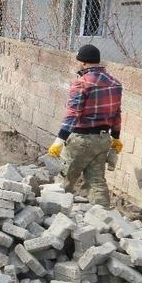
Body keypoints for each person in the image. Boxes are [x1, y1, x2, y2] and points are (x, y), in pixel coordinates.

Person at [48, 44, 122, 207]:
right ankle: (103, 219)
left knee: (64, 179)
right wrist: (116, 140)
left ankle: (53, 216)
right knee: (97, 181)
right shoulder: (115, 83)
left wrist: (60, 140)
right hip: (103, 140)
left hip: (81, 140)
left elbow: (73, 114)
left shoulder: (81, 83)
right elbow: (117, 114)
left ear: (82, 63)